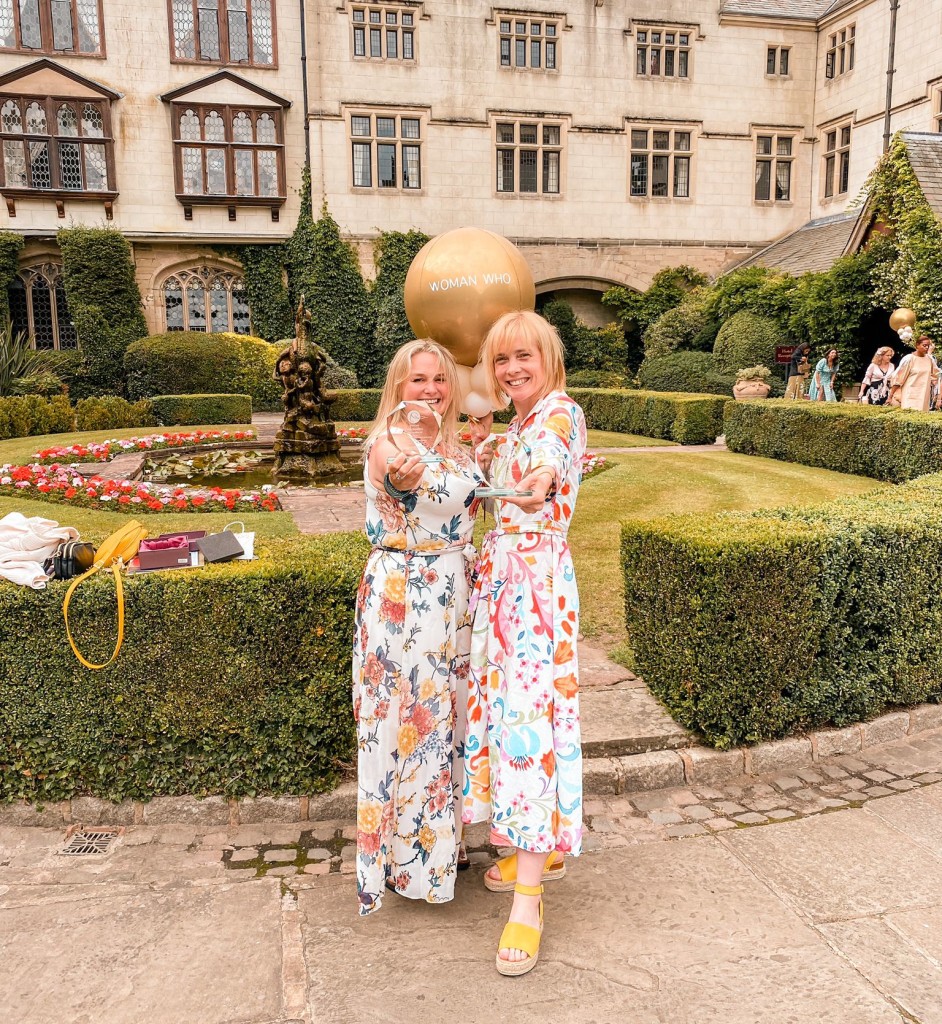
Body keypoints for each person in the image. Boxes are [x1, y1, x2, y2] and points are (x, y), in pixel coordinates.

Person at [462, 310, 586, 977]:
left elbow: (552, 463)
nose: (511, 369)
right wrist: (485, 454)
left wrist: (538, 481)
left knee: (529, 732)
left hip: (535, 592)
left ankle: (530, 902)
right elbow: (499, 495)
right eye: (501, 359)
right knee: (507, 726)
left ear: (548, 358)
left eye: (523, 357)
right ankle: (539, 849)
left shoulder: (559, 413)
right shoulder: (516, 425)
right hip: (504, 589)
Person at [352, 339, 486, 916]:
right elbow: (401, 486)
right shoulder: (391, 444)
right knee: (408, 722)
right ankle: (407, 867)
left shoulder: (454, 443)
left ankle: (440, 849)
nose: (429, 389)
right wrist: (404, 488)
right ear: (397, 388)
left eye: (439, 379)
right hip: (407, 598)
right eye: (417, 380)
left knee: (446, 720)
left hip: (453, 596)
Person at [889, 334, 937, 412]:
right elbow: (899, 378)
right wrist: (890, 396)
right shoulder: (909, 359)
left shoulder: (929, 359)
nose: (927, 348)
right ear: (917, 345)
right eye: (924, 345)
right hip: (910, 395)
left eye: (928, 346)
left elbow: (936, 375)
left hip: (924, 395)